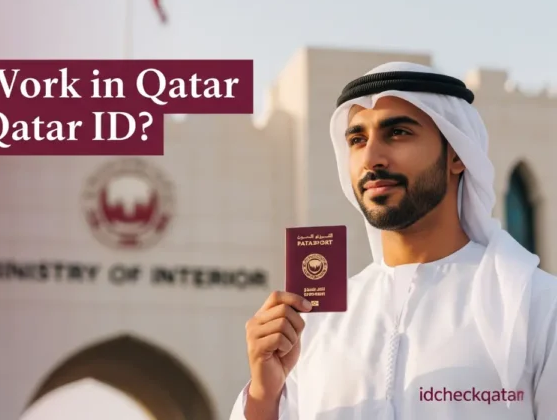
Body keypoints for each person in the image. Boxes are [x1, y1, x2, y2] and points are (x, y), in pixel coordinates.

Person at [229, 62, 557, 420]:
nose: (371, 158)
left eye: (398, 132)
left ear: (458, 154)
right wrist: (263, 397)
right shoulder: (315, 323)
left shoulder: (533, 306)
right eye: (357, 140)